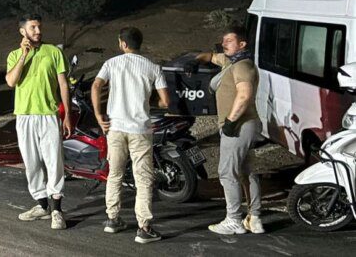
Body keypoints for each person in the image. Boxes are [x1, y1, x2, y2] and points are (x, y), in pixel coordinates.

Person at [91, 27, 171, 244]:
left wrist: (99, 115)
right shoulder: (153, 67)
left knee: (115, 173)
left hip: (115, 128)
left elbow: (96, 85)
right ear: (139, 43)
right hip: (140, 130)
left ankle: (112, 219)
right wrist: (148, 100)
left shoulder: (112, 64)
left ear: (122, 44)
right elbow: (165, 102)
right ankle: (144, 228)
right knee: (143, 178)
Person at [188, 25, 264, 235]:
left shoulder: (242, 66)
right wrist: (197, 60)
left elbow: (245, 94)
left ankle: (233, 220)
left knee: (226, 172)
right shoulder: (231, 62)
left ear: (242, 44)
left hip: (238, 125)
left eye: (229, 41)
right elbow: (211, 56)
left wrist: (230, 121)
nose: (224, 44)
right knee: (246, 171)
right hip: (245, 125)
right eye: (224, 41)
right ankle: (255, 218)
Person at [6, 14, 72, 230]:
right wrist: (24, 55)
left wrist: (67, 115)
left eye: (39, 27)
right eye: (33, 27)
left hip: (48, 115)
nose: (38, 31)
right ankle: (42, 205)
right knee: (31, 163)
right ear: (22, 31)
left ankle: (57, 211)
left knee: (54, 161)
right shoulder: (15, 55)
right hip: (24, 116)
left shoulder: (54, 52)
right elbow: (11, 81)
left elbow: (63, 85)